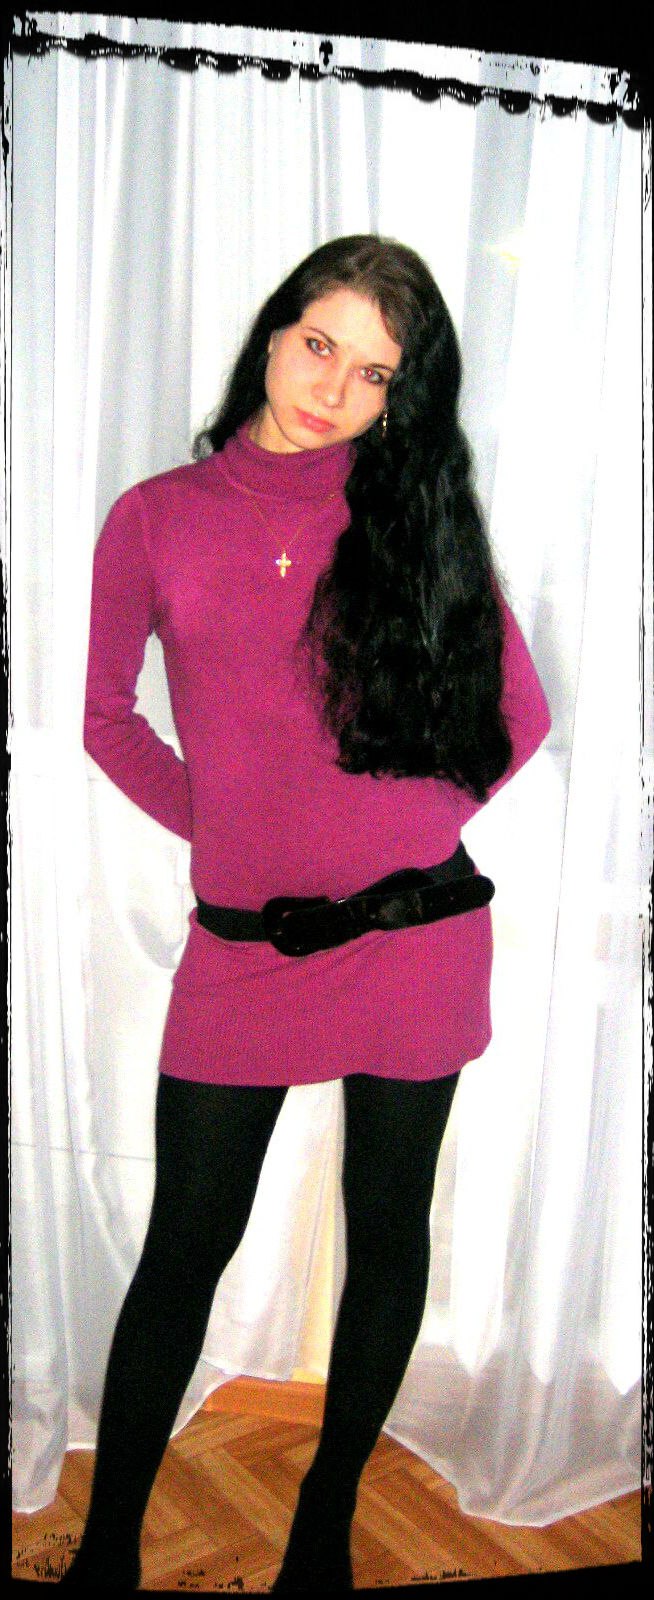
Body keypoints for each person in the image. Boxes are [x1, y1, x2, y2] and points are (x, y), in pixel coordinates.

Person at [62, 234, 551, 1590]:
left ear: (400, 399)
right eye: (320, 345)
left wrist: (401, 833)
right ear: (273, 333)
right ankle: (107, 1548)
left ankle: (324, 1524)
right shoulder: (156, 517)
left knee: (388, 1234)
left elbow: (518, 717)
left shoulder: (416, 519)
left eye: (374, 374)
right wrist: (224, 828)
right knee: (184, 1247)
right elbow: (104, 720)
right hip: (246, 949)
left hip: (416, 940)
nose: (333, 389)